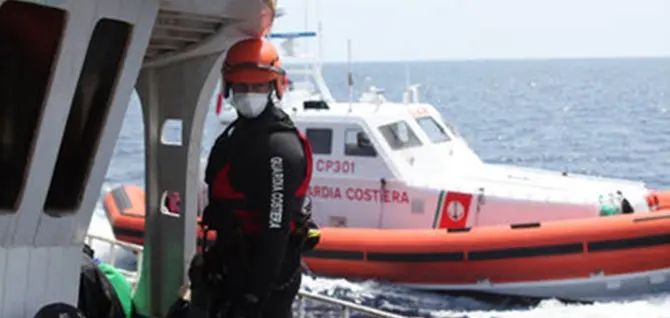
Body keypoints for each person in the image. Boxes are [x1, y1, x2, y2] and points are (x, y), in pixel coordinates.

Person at [194, 37, 317, 318]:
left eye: (258, 86)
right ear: (229, 87)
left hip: (261, 286)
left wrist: (252, 298)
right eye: (242, 86)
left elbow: (275, 231)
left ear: (274, 87)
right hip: (231, 269)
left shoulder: (279, 149)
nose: (249, 93)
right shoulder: (239, 133)